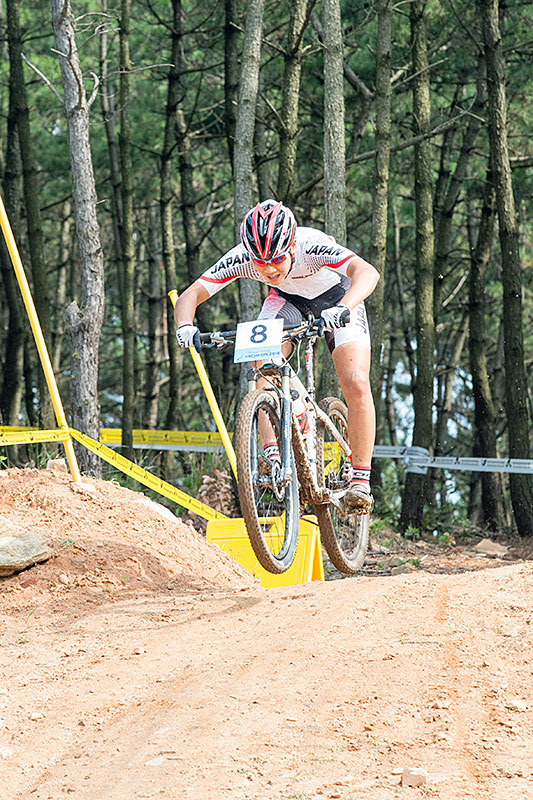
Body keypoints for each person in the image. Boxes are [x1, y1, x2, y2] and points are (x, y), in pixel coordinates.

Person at [174, 199, 379, 512]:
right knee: (261, 360)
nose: (268, 268)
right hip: (288, 302)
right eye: (260, 261)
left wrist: (344, 307)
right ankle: (271, 456)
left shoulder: (312, 246)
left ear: (292, 245)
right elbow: (192, 294)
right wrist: (185, 327)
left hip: (339, 297)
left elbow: (367, 272)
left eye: (276, 259)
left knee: (355, 381)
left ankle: (361, 479)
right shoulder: (244, 257)